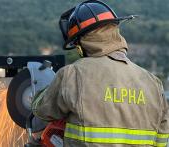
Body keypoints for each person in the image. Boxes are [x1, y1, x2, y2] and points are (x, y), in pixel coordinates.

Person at [32, 0, 169, 146]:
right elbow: (161, 141)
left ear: (80, 44)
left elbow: (42, 110)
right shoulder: (154, 84)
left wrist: (44, 90)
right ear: (115, 31)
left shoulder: (73, 74)